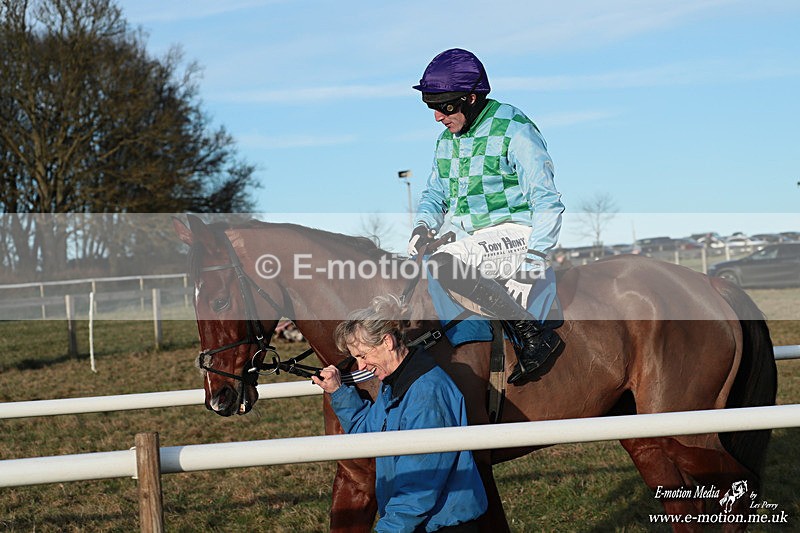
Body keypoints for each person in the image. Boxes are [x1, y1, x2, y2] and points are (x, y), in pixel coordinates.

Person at [407, 48, 565, 384]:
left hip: (518, 233)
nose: (437, 116)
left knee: (445, 263)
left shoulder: (514, 128)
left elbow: (546, 200)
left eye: (445, 106)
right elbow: (435, 194)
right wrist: (422, 226)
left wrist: (533, 261)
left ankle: (534, 336)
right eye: (431, 106)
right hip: (473, 240)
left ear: (472, 98)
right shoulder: (446, 142)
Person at [312, 295, 488, 533]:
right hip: (419, 523)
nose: (361, 366)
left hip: (437, 525)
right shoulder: (394, 385)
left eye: (363, 355)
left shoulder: (426, 393)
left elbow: (420, 483)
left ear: (387, 342)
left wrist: (389, 529)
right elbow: (368, 433)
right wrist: (338, 391)